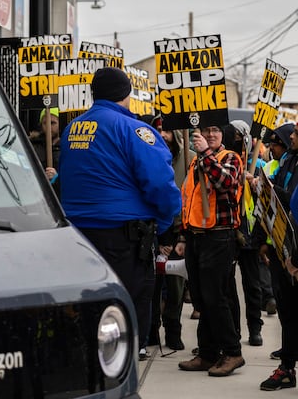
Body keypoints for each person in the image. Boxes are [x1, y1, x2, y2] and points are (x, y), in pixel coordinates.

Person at [58, 67, 181, 361]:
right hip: (123, 238)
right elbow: (161, 184)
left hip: (78, 234)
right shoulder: (134, 130)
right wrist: (164, 223)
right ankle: (121, 362)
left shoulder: (72, 128)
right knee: (126, 303)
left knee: (90, 300)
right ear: (126, 94)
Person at [177, 123, 245, 377]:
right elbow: (190, 199)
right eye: (205, 131)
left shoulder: (230, 158)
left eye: (215, 131)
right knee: (202, 299)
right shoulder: (197, 162)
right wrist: (184, 235)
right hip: (197, 237)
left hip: (218, 237)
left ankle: (233, 352)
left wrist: (205, 153)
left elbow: (225, 182)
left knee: (216, 298)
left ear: (223, 135)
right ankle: (207, 353)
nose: (210, 135)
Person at [146, 114, 194, 351]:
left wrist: (180, 236)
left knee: (175, 287)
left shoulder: (190, 160)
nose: (163, 135)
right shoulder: (147, 157)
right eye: (158, 130)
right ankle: (152, 331)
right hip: (154, 232)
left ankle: (173, 331)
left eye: (166, 130)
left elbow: (192, 200)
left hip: (179, 233)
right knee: (152, 286)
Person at [258, 122, 298, 390]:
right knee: (287, 309)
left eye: (297, 134)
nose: (292, 136)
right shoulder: (290, 160)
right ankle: (287, 363)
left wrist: (296, 259)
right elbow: (283, 201)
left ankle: (287, 365)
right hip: (282, 247)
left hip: (294, 255)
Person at [223, 120, 266, 347]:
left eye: (240, 139)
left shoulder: (258, 165)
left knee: (252, 284)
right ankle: (234, 331)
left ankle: (255, 327)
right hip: (230, 231)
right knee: (228, 286)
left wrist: (255, 183)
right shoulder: (226, 161)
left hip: (250, 233)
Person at [29, 107, 61, 191]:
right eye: (45, 123)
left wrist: (57, 178)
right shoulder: (33, 146)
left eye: (52, 123)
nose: (48, 127)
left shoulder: (66, 146)